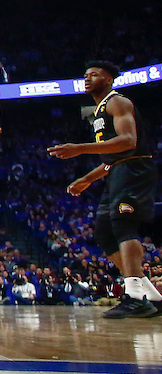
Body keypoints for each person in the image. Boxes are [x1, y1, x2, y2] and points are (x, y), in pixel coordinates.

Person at [49, 60, 161, 318]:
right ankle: (150, 295)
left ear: (109, 79)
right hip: (118, 171)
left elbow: (128, 141)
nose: (87, 78)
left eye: (95, 75)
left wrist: (80, 148)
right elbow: (112, 158)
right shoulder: (99, 111)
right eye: (85, 75)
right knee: (103, 232)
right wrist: (87, 179)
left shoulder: (116, 101)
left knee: (123, 224)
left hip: (135, 169)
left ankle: (134, 294)